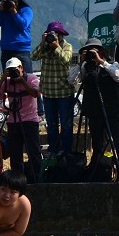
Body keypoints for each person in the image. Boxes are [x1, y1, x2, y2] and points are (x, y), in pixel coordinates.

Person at [75, 39, 119, 182]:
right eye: (89, 51)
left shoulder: (112, 64)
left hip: (111, 111)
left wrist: (101, 61)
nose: (92, 54)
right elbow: (72, 80)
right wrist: (81, 63)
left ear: (101, 51)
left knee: (118, 144)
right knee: (97, 144)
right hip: (94, 112)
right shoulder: (86, 67)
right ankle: (100, 172)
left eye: (95, 50)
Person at [0, 57, 42, 183]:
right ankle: (17, 180)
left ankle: (37, 176)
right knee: (15, 153)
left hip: (30, 120)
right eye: (10, 71)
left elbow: (36, 93)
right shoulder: (7, 82)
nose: (13, 73)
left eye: (15, 70)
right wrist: (4, 78)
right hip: (13, 121)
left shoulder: (31, 78)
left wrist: (22, 82)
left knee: (33, 150)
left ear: (21, 68)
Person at [31, 21, 75, 156]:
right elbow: (33, 56)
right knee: (52, 125)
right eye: (51, 34)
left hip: (64, 92)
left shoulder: (67, 46)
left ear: (61, 35)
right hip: (49, 93)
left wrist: (56, 46)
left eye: (56, 34)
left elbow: (66, 59)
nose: (54, 36)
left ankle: (66, 150)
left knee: (66, 125)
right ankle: (53, 149)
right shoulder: (45, 48)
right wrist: (43, 42)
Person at [0, 0, 34, 73]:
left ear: (17, 0)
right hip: (7, 51)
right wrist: (0, 11)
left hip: (22, 51)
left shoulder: (26, 10)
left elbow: (23, 25)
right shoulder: (4, 12)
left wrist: (14, 12)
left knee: (26, 78)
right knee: (9, 79)